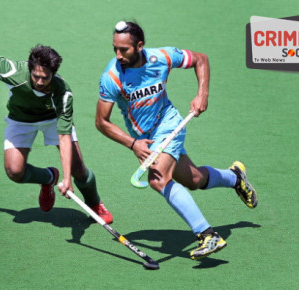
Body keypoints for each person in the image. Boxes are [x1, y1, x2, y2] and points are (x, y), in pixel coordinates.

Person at [95, 21, 257, 260]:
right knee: (194, 180)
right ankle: (235, 177)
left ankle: (207, 234)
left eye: (124, 50)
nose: (118, 55)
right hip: (144, 139)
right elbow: (101, 122)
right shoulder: (112, 77)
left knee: (158, 178)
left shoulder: (162, 57)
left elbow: (200, 59)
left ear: (139, 46)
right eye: (115, 49)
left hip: (170, 124)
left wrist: (202, 93)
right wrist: (133, 143)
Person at [0, 45, 113, 224]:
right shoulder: (12, 72)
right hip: (21, 118)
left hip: (52, 120)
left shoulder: (63, 93)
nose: (39, 81)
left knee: (78, 169)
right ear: (30, 69)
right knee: (14, 172)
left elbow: (64, 136)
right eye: (36, 76)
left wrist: (67, 178)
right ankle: (48, 178)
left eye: (45, 78)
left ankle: (95, 204)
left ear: (53, 74)